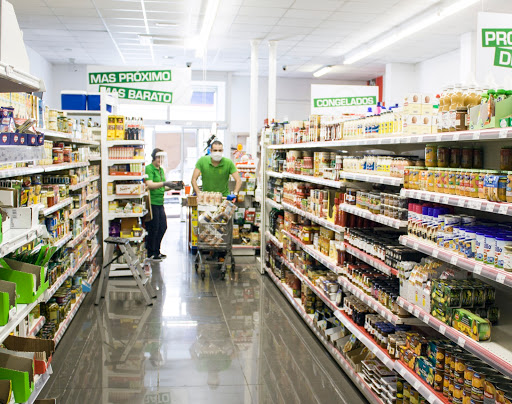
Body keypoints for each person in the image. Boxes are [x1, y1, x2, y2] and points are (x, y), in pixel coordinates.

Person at [145, 148, 183, 261]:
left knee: (163, 227)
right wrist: (164, 183)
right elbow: (150, 184)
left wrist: (174, 186)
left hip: (160, 202)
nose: (160, 160)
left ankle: (156, 250)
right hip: (152, 202)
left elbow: (162, 186)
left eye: (161, 158)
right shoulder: (149, 168)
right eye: (158, 157)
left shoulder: (161, 170)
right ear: (153, 157)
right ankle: (151, 252)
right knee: (154, 228)